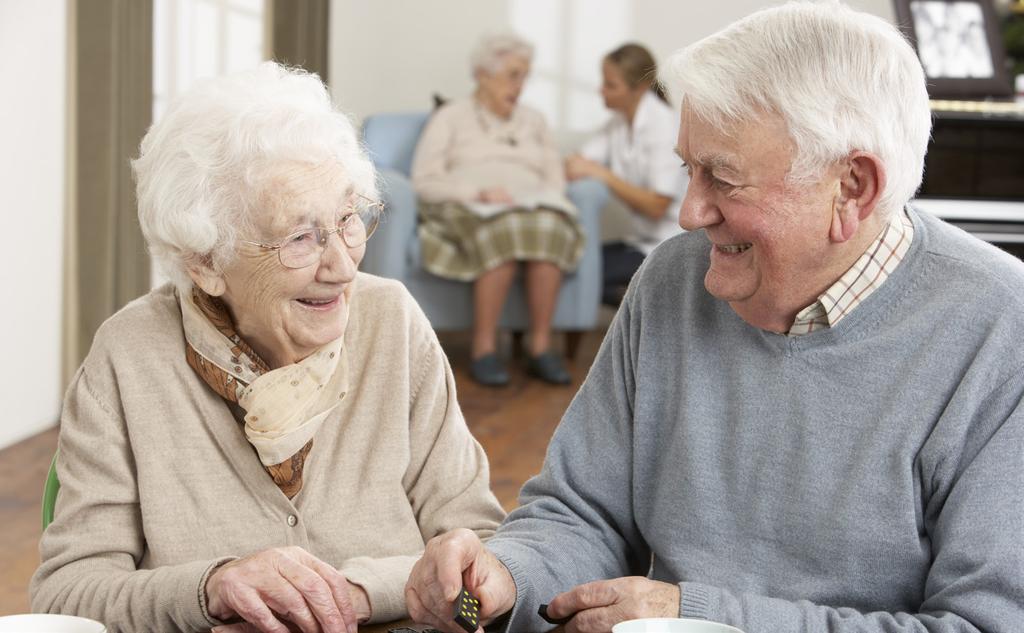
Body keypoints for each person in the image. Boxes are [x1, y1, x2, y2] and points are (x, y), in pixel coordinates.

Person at [405, 3, 1024, 632]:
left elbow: (982, 625)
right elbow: (581, 512)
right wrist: (508, 574)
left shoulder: (1004, 330)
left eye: (723, 179)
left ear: (852, 188)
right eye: (688, 169)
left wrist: (702, 616)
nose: (689, 212)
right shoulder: (672, 280)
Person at [30, 62, 505, 633]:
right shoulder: (129, 358)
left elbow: (483, 573)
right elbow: (64, 598)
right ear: (204, 262)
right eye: (300, 237)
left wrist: (359, 597)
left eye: (347, 219)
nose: (343, 265)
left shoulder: (393, 323)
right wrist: (212, 589)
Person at [411, 34, 582, 387]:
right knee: (502, 232)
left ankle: (540, 348)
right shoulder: (451, 116)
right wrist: (478, 192)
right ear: (482, 75)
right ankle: (484, 349)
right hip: (471, 205)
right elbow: (425, 180)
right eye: (512, 75)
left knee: (550, 227)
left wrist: (539, 198)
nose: (520, 86)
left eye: (525, 76)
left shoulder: (534, 120)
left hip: (530, 206)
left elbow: (555, 180)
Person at [566, 43, 688, 307]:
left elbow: (657, 206)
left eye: (610, 84)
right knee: (573, 264)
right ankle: (646, 305)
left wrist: (603, 175)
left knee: (583, 276)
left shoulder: (664, 126)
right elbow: (578, 163)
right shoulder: (619, 123)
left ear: (639, 89)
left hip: (672, 243)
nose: (601, 90)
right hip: (642, 242)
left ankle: (651, 307)